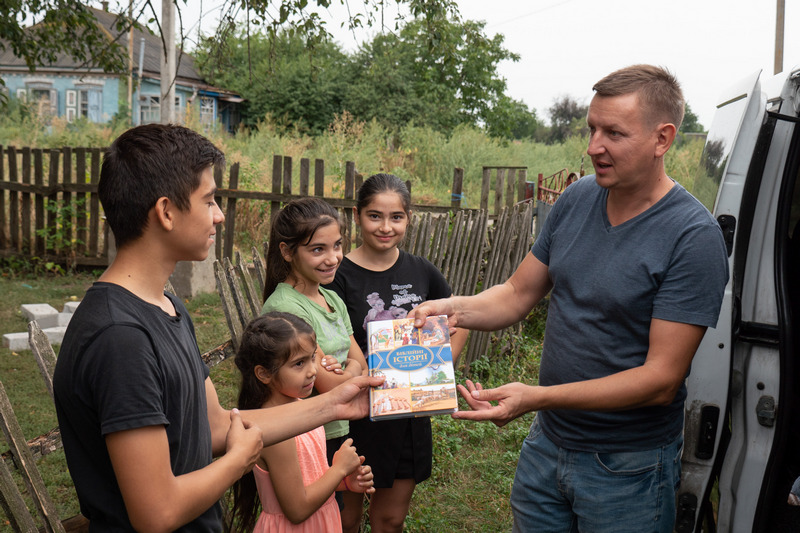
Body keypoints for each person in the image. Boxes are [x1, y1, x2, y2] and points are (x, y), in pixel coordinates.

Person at [412, 64, 730, 532]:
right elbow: (518, 292)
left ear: (662, 139)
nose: (593, 146)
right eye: (592, 128)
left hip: (628, 466)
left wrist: (536, 398)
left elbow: (661, 379)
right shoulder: (578, 197)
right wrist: (453, 307)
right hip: (548, 445)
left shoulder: (692, 237)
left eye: (613, 133)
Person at [52, 124, 383, 532]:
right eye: (208, 200)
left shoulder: (167, 307)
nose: (220, 214)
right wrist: (237, 461)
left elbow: (219, 428)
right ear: (166, 212)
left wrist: (335, 404)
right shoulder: (121, 338)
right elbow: (157, 513)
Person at [326, 173, 467, 533]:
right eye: (375, 215)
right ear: (357, 216)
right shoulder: (337, 274)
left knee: (390, 520)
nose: (385, 227)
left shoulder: (421, 271)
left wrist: (443, 363)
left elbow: (460, 317)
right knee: (344, 519)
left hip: (407, 415)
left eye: (396, 217)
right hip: (352, 415)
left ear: (408, 218)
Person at [228, 312, 376, 533]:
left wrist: (343, 481)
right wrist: (339, 469)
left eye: (313, 357)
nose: (313, 371)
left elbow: (308, 480)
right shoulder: (276, 432)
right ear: (264, 374)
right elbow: (297, 510)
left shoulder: (304, 410)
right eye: (299, 364)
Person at [261, 197, 369, 488]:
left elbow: (361, 361)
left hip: (337, 425)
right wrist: (351, 372)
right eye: (317, 249)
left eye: (337, 245)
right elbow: (331, 385)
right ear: (287, 251)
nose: (332, 258)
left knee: (344, 513)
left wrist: (348, 372)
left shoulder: (331, 299)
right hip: (307, 432)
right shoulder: (288, 309)